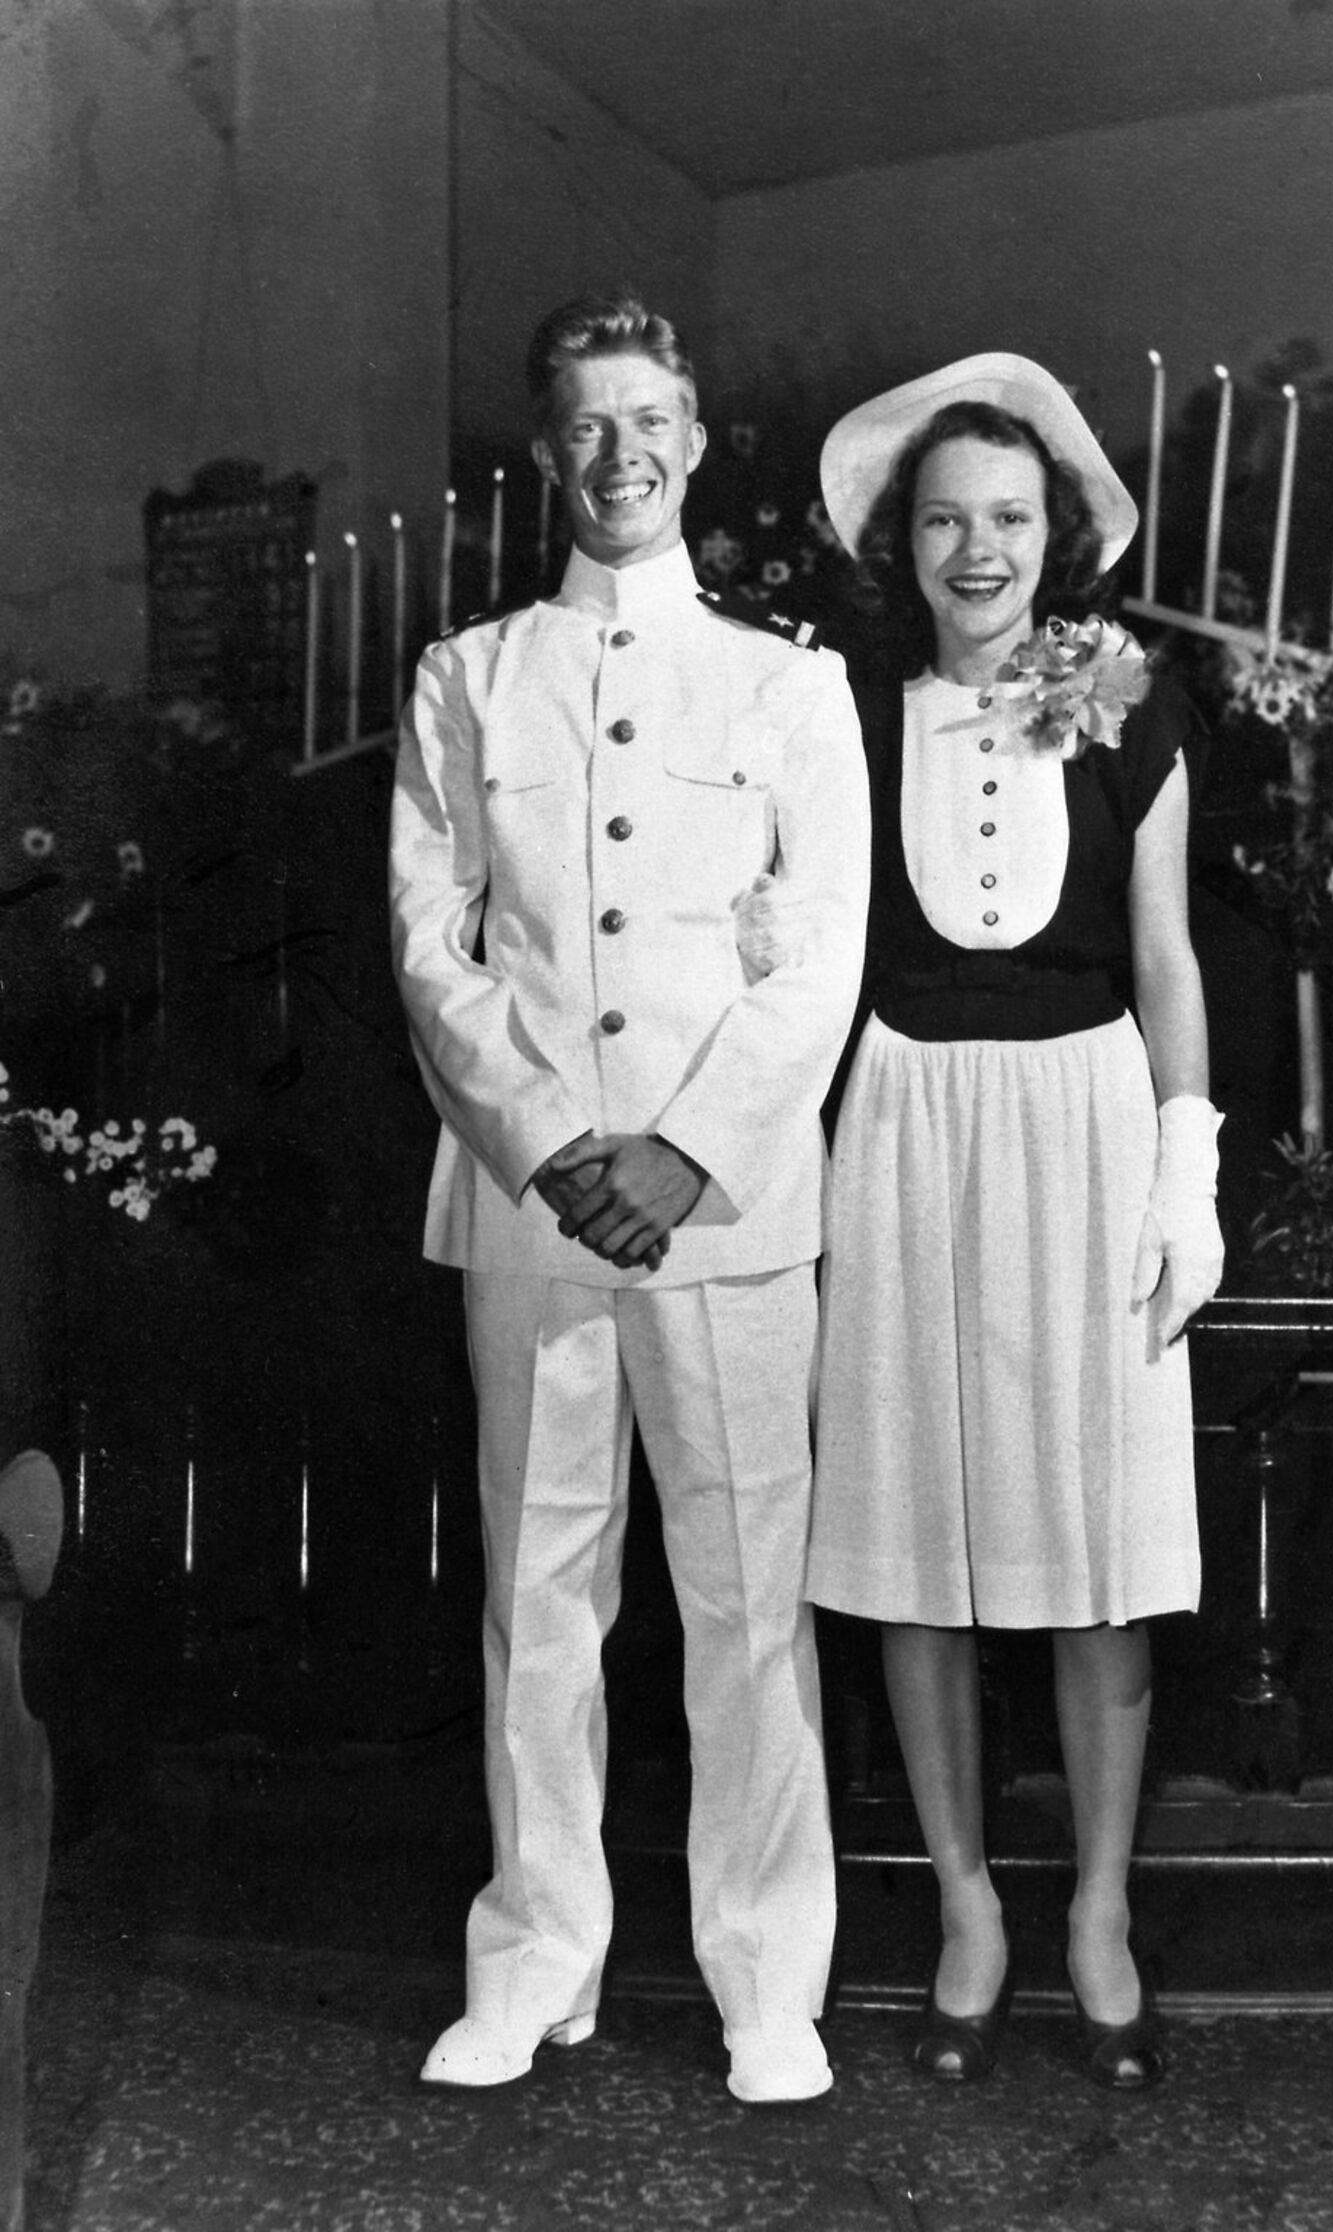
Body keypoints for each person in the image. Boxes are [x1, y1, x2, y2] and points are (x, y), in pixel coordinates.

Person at [388, 291, 870, 2106]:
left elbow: (818, 949)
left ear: (693, 439)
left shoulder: (785, 685)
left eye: (649, 421)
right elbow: (437, 951)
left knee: (749, 1601)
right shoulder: (469, 677)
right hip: (532, 1210)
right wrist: (544, 1141)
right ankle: (535, 1962)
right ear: (546, 454)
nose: (621, 454)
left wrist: (689, 1147)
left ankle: (767, 1982)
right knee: (538, 1593)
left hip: (723, 1209)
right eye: (587, 426)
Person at [804, 354, 1223, 2090]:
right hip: (904, 1121)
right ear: (902, 543)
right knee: (915, 1539)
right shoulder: (836, 710)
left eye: (1011, 518)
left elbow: (1165, 953)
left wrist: (1186, 1165)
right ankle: (970, 1906)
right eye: (946, 520)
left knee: (1095, 1554)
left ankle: (1099, 1913)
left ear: (1060, 539)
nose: (979, 550)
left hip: (1086, 1122)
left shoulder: (1132, 710)